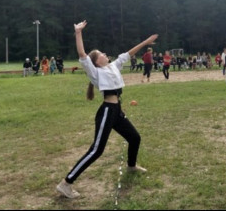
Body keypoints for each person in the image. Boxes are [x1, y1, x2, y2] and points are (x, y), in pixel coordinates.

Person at [56, 20, 158, 199]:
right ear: (96, 61)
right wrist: (78, 32)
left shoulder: (113, 66)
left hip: (117, 110)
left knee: (134, 137)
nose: (104, 54)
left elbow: (129, 53)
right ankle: (66, 183)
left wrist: (146, 42)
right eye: (101, 54)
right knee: (97, 150)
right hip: (107, 112)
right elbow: (82, 53)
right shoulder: (95, 72)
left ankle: (131, 166)